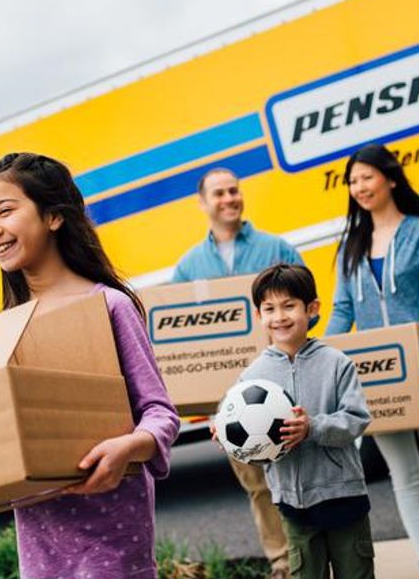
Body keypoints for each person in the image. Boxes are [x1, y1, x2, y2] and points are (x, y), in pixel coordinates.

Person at [0, 152, 180, 579]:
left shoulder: (109, 305)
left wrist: (129, 447)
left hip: (113, 543)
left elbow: (160, 414)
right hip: (41, 555)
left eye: (4, 211)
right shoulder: (5, 331)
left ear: (53, 216)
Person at [326, 143, 419, 579]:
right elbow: (341, 311)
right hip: (380, 374)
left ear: (390, 179)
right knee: (403, 475)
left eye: (366, 177)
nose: (359, 187)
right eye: (353, 182)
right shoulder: (350, 247)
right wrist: (320, 351)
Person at [172, 167, 301, 578]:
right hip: (230, 403)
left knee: (301, 477)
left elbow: (306, 305)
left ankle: (311, 554)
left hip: (286, 386)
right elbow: (179, 336)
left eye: (234, 190)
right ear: (203, 203)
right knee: (258, 486)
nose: (229, 198)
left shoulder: (274, 247)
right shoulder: (190, 267)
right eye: (219, 193)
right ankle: (282, 561)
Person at [240, 264, 375, 579]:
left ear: (311, 309)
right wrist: (230, 440)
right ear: (259, 316)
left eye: (289, 306)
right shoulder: (251, 377)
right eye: (270, 309)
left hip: (345, 497)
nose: (280, 316)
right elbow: (249, 443)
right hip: (293, 504)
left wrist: (312, 427)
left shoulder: (336, 363)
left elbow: (357, 419)